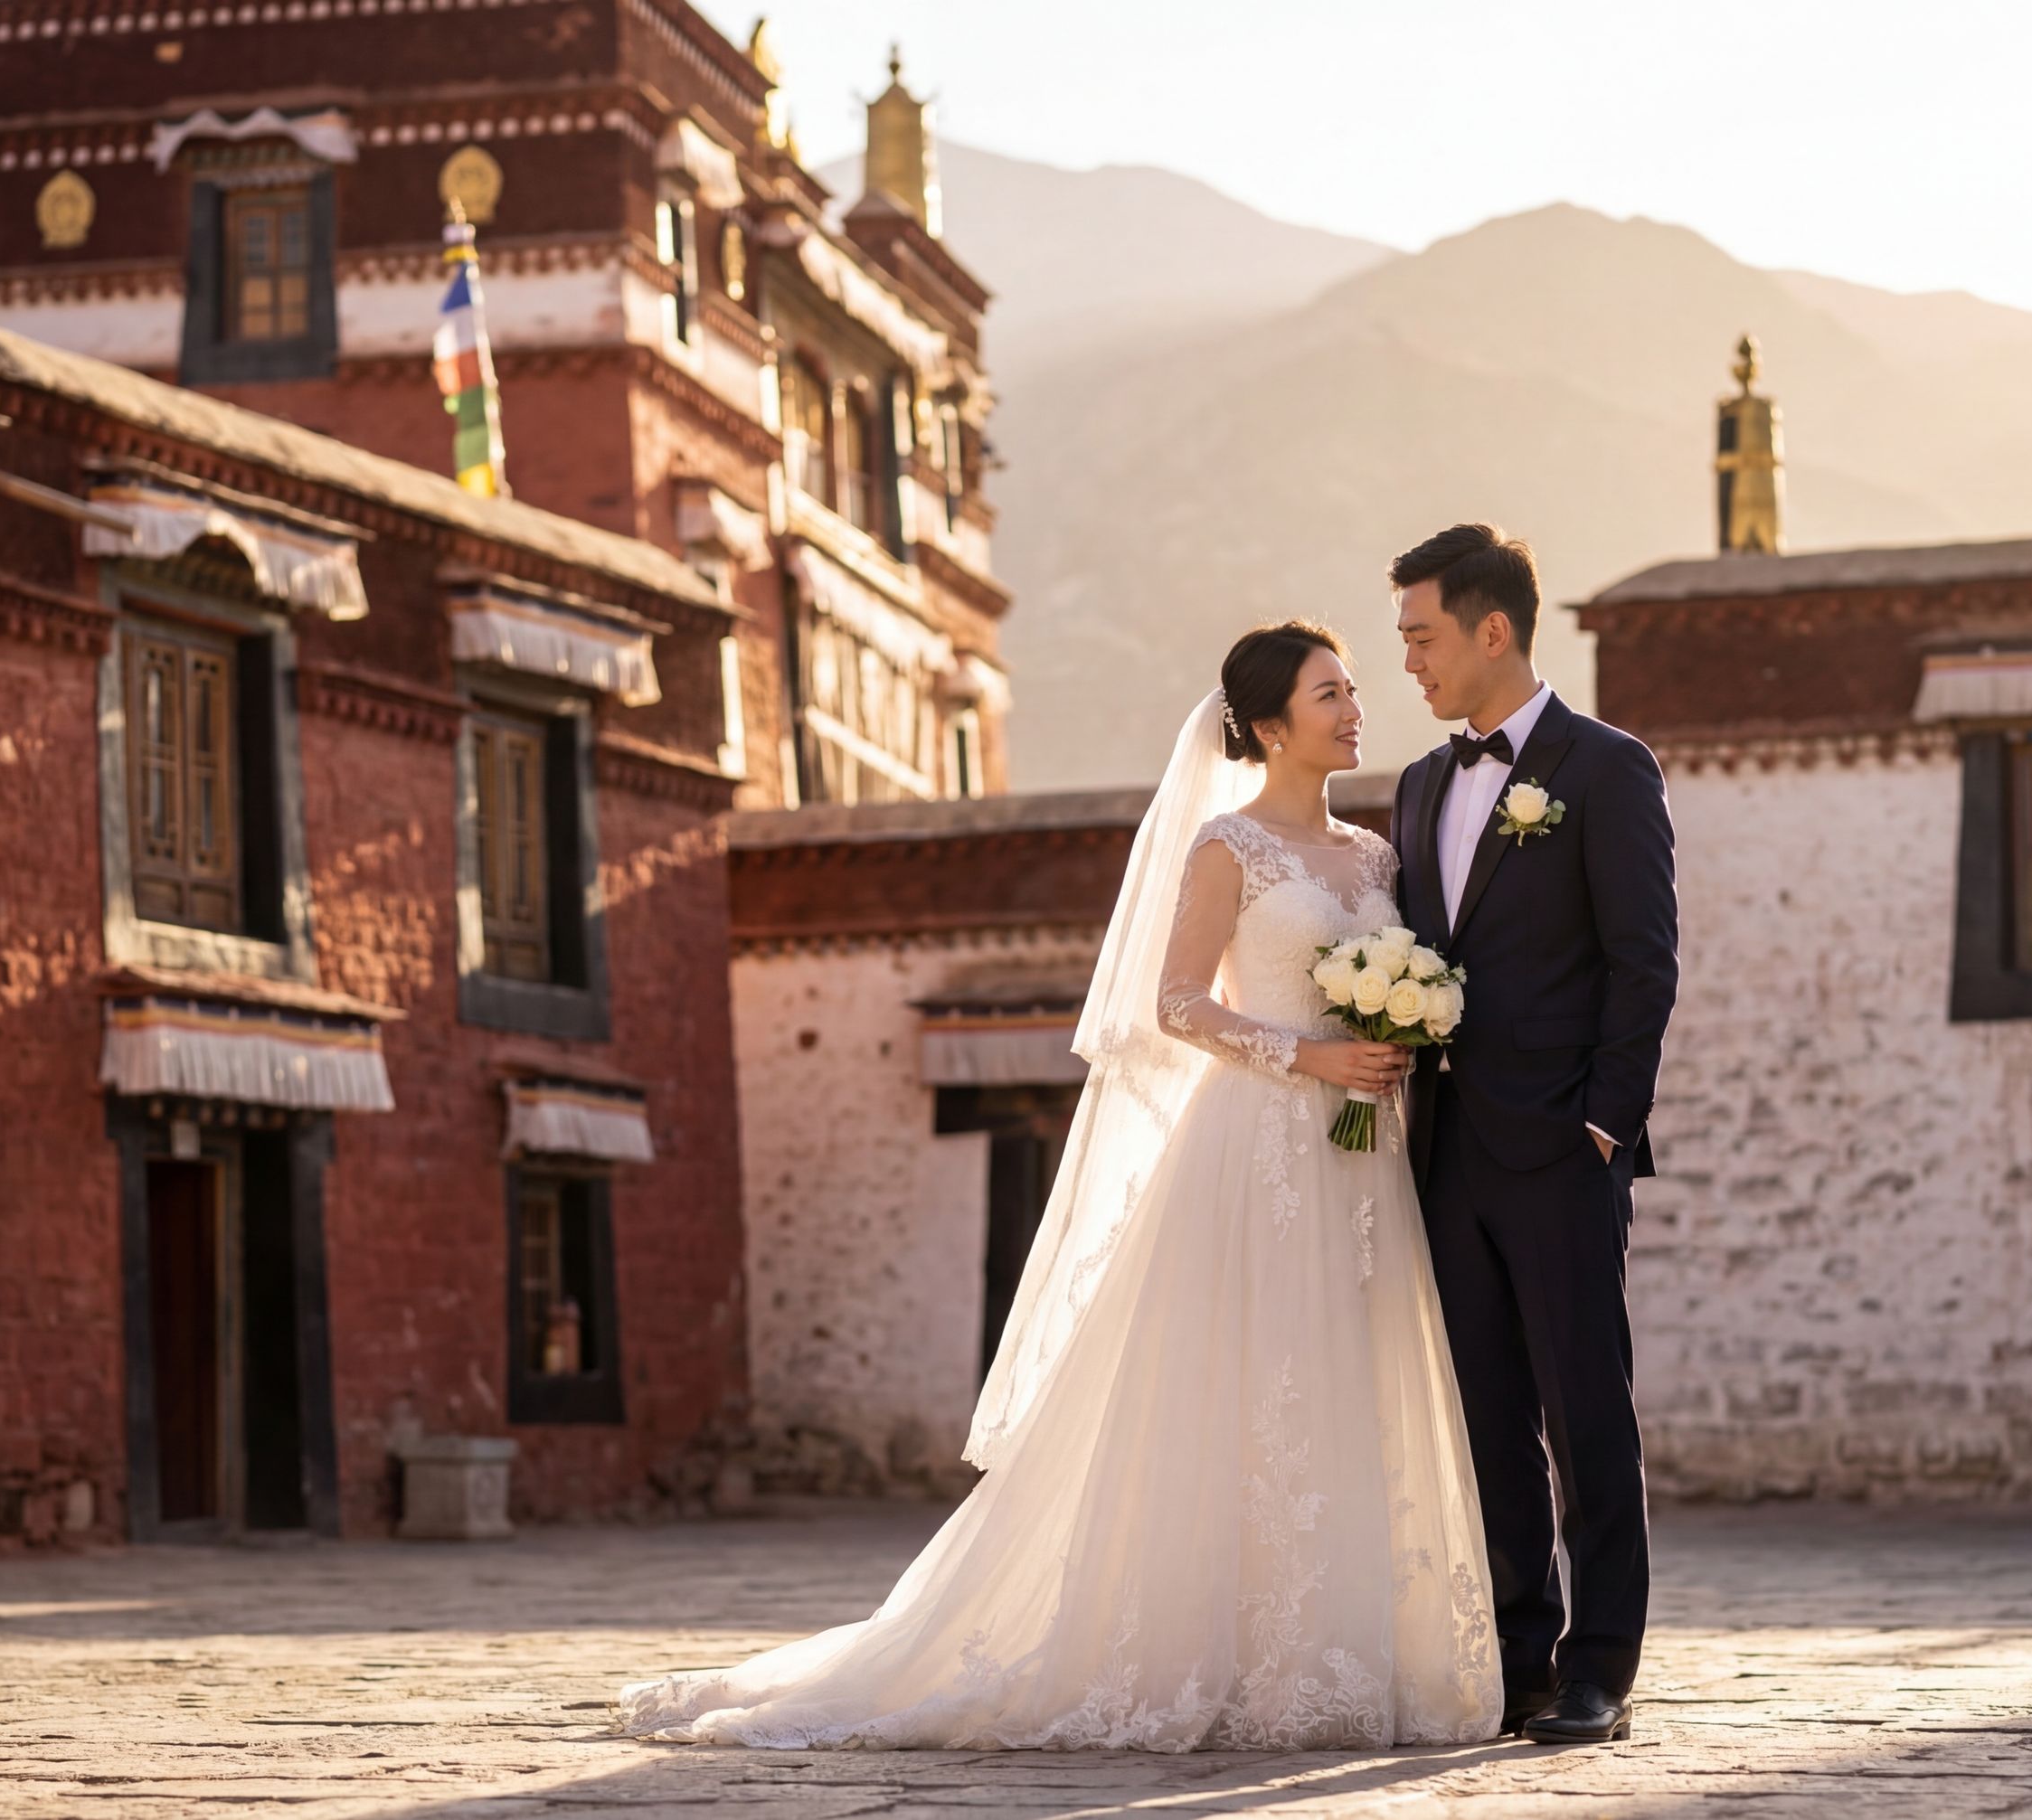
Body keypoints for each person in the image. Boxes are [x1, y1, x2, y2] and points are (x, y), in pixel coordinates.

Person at [617, 623, 1502, 1751]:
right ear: (1273, 725)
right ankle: (1220, 1655)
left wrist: (1391, 1043)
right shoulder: (1227, 848)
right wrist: (1309, 1058)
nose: (1354, 707)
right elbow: (1176, 1003)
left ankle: (1338, 1651)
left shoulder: (1375, 859)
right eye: (1329, 693)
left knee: (1348, 1374)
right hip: (1255, 1147)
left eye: (1353, 689)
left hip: (1359, 1158)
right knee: (1249, 1382)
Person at [1387, 524, 1680, 1746]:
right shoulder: (1417, 784)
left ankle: (1601, 1662)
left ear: (1493, 629)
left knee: (1585, 1408)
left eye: (1423, 636)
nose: (1410, 661)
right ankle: (1520, 1658)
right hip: (1446, 1149)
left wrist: (1605, 1125)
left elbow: (1643, 963)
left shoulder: (1606, 768)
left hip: (1564, 1147)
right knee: (1487, 1417)